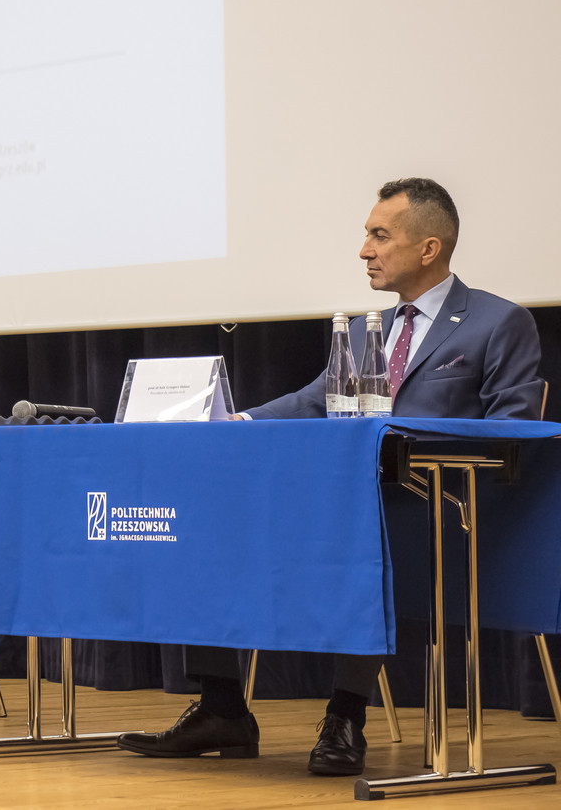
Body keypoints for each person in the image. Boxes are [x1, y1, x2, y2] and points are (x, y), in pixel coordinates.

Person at [116, 178, 543, 776]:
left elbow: (515, 431)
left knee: (358, 538)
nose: (364, 250)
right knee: (210, 526)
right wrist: (237, 421)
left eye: (379, 236)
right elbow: (317, 399)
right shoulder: (371, 329)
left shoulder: (498, 321)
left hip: (439, 507)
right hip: (344, 497)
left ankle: (346, 716)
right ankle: (221, 706)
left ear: (429, 248)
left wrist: (407, 446)